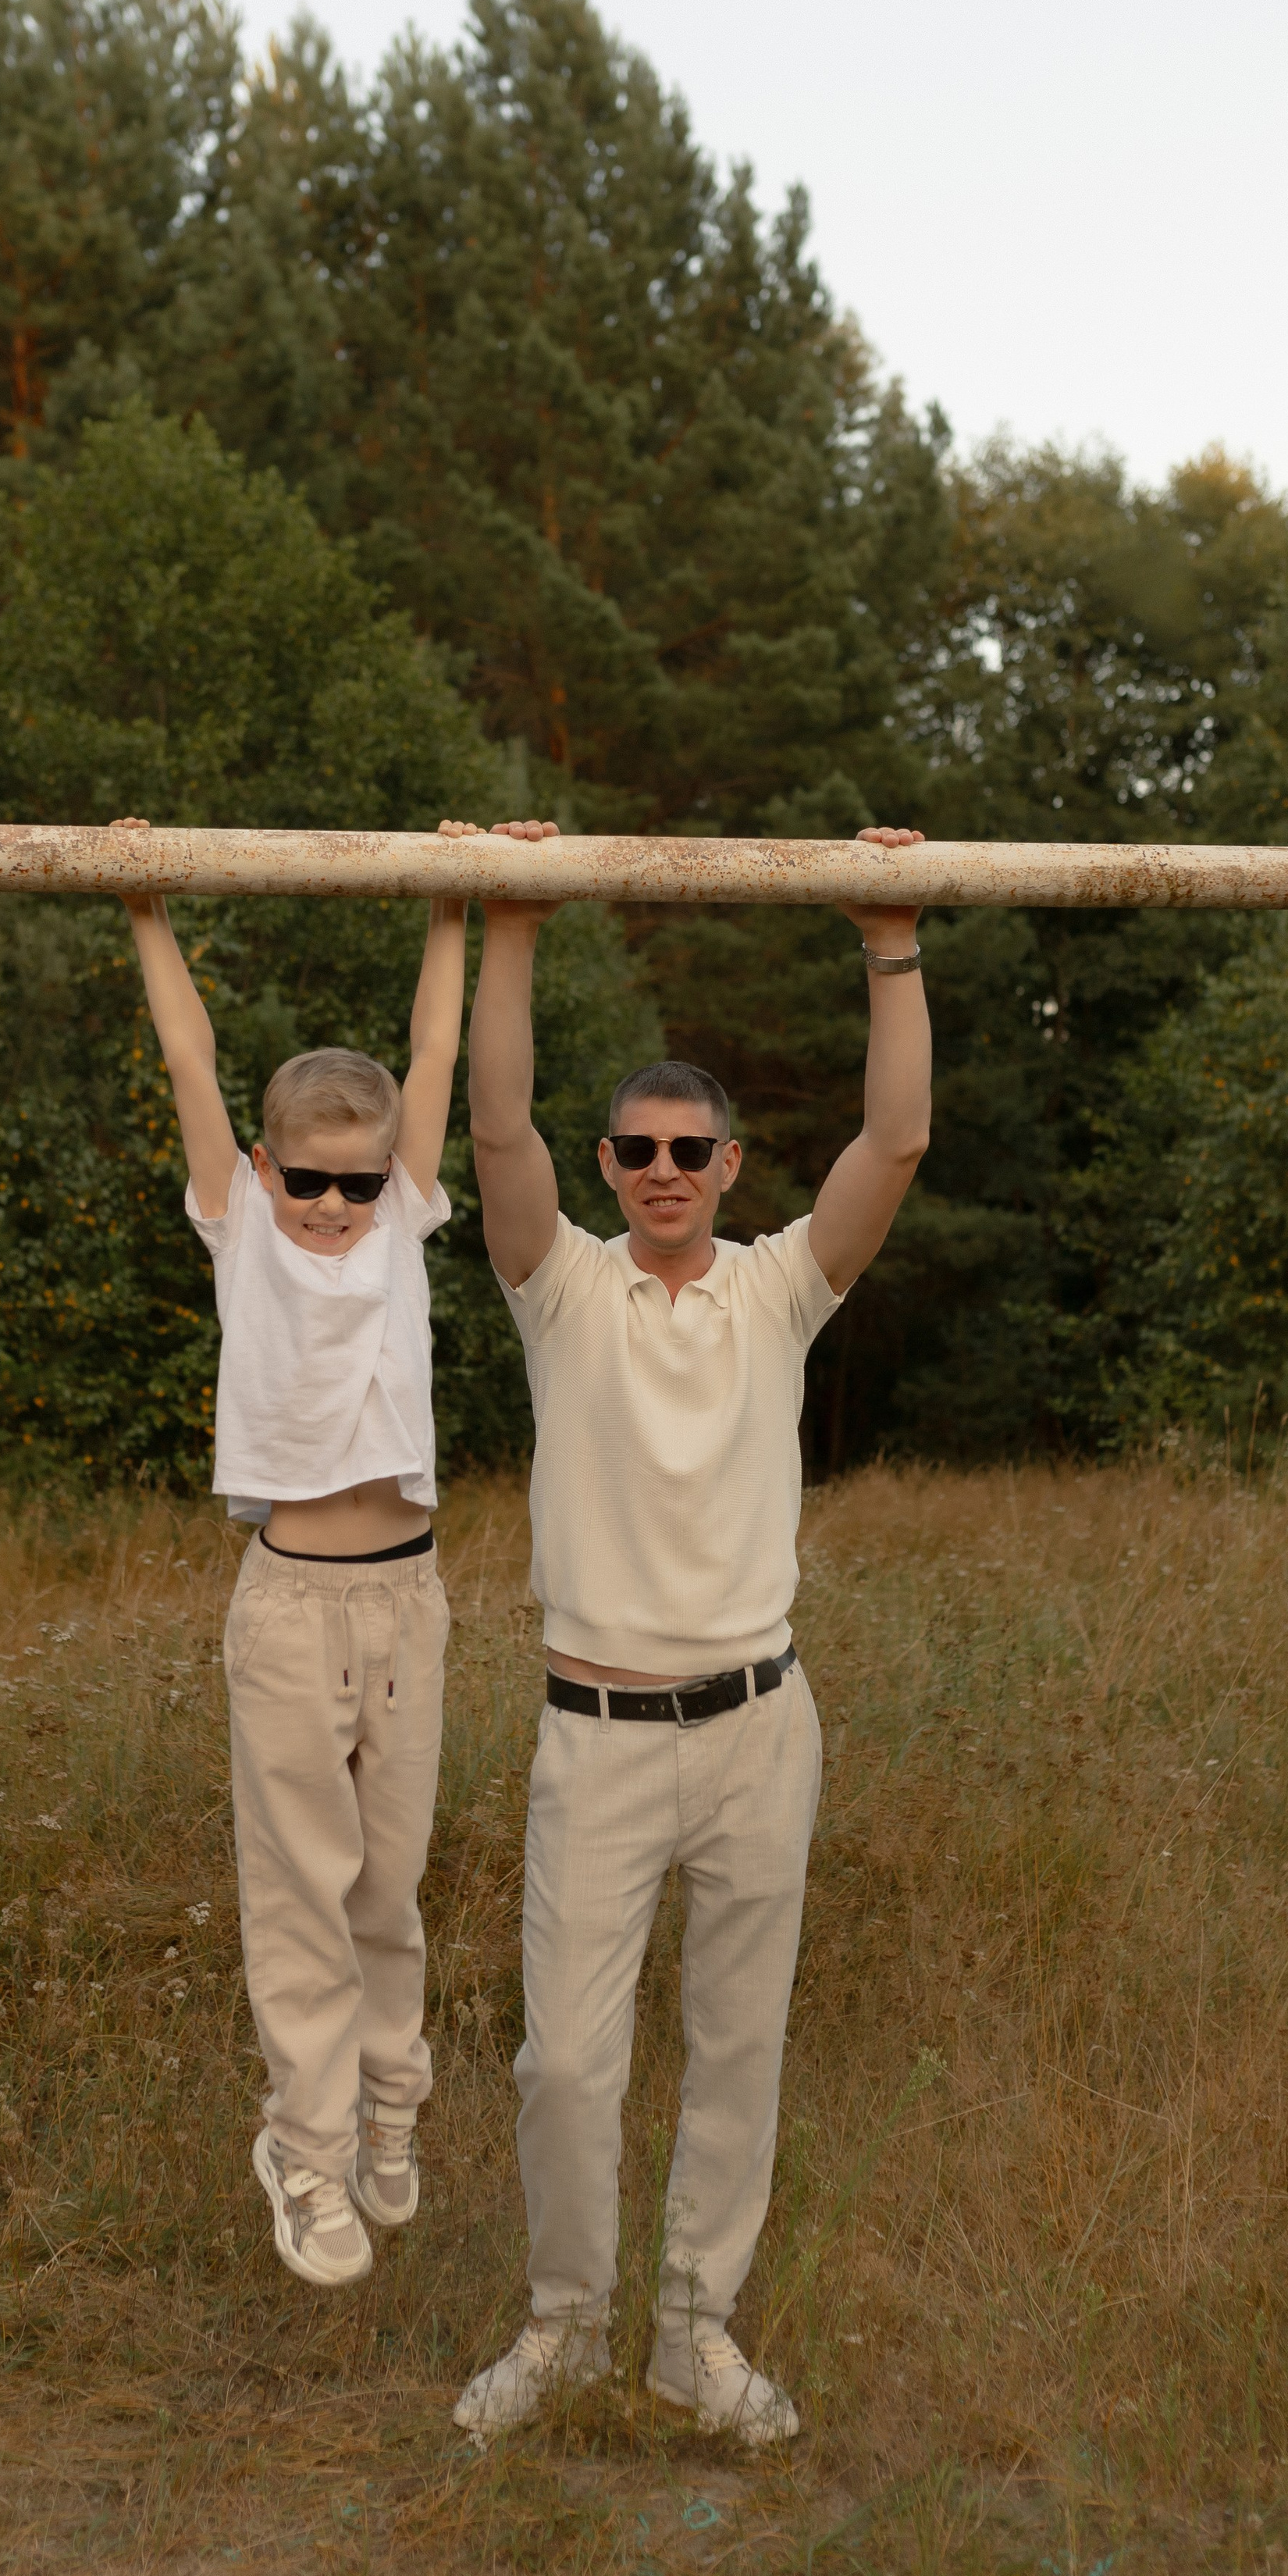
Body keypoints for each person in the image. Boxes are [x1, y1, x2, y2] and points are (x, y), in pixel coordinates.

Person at [454, 818, 933, 2444]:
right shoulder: (559, 1286)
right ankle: (564, 2331)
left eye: (687, 1150)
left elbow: (896, 1142)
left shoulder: (779, 1287)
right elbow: (493, 1118)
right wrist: (510, 919)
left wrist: (888, 940)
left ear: (728, 1169)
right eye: (634, 1149)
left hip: (754, 1729)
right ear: (608, 1169)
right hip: (595, 1739)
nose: (659, 1168)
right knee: (564, 2069)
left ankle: (692, 2336)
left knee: (737, 2048)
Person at [112, 814, 481, 2290]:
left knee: (388, 1886)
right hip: (290, 1605)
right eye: (309, 1182)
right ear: (264, 1168)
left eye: (359, 1185)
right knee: (300, 1894)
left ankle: (392, 2105)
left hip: (407, 1599)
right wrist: (145, 903)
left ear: (391, 1179)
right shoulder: (241, 1229)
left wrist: (461, 900)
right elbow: (191, 1062)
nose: (333, 1211)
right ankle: (307, 2152)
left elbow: (433, 1060)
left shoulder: (401, 1221)